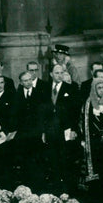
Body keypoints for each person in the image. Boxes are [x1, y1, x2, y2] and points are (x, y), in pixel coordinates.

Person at [42, 63, 80, 193]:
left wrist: (74, 129)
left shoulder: (71, 88)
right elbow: (42, 112)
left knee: (65, 158)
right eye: (56, 73)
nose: (59, 75)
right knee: (52, 158)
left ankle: (67, 189)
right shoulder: (45, 88)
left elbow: (75, 111)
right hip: (50, 130)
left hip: (65, 130)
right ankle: (55, 188)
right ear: (51, 74)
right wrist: (43, 131)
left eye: (61, 73)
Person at [78, 78, 103, 195]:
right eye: (99, 88)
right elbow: (83, 121)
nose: (101, 90)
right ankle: (95, 190)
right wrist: (83, 138)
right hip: (93, 139)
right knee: (94, 162)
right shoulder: (88, 102)